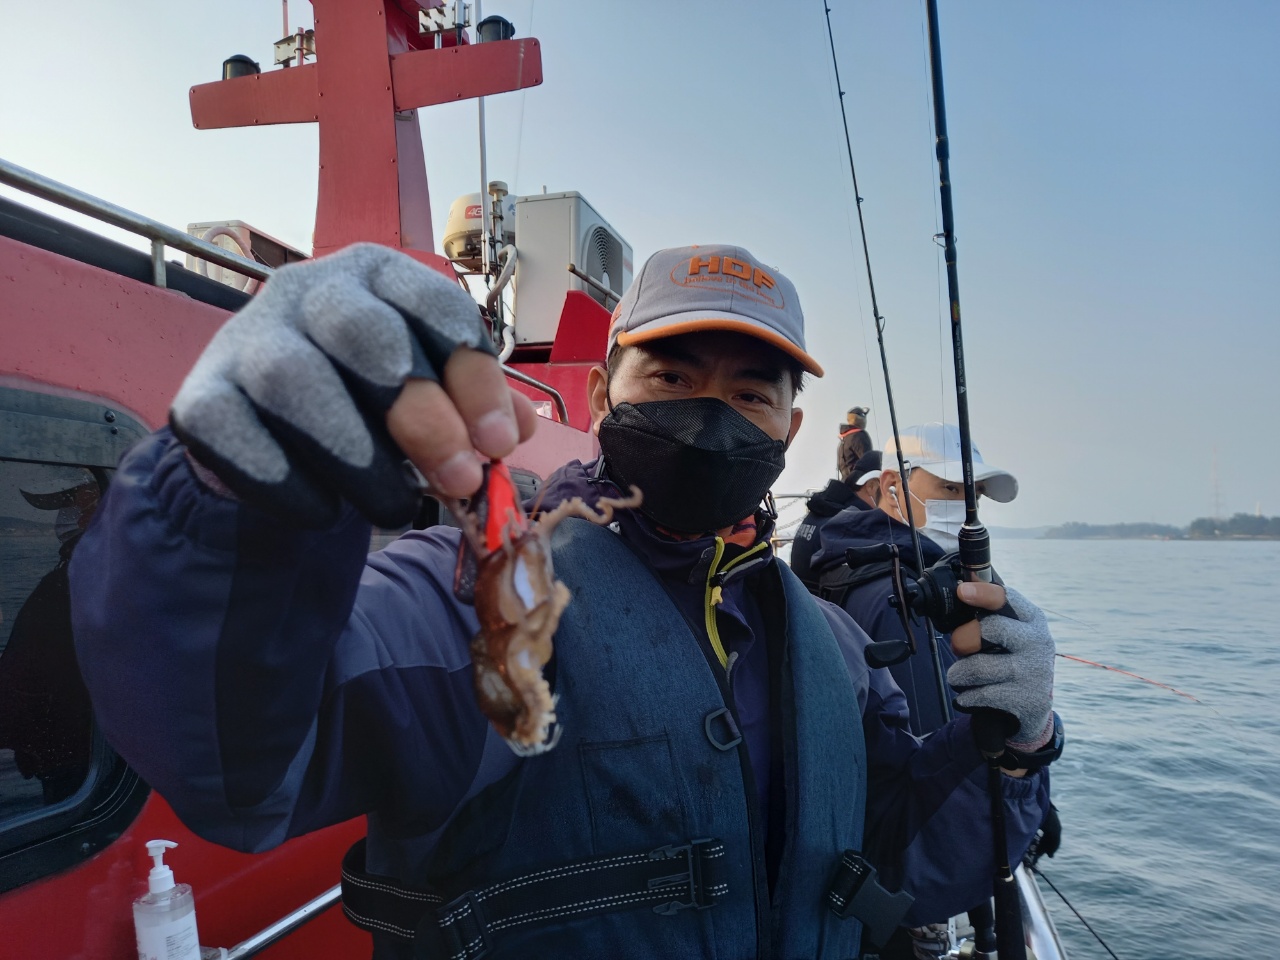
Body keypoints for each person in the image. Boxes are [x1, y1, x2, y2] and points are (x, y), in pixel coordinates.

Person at [69, 244, 1057, 960]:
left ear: (789, 431)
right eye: (670, 375)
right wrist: (229, 496)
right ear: (599, 396)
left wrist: (1015, 746)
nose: (709, 417)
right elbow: (237, 759)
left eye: (751, 395)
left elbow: (899, 861)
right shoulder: (467, 590)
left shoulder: (830, 644)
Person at [810, 423, 1021, 736]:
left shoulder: (852, 556)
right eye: (951, 488)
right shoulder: (901, 598)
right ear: (892, 485)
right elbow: (939, 740)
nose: (968, 508)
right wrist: (1033, 735)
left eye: (975, 494)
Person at [788, 450, 882, 589]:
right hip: (823, 599)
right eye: (890, 488)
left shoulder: (824, 508)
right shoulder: (856, 522)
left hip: (801, 594)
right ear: (871, 486)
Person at [838, 406, 873, 481]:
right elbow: (869, 463)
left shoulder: (844, 440)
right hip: (860, 482)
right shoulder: (860, 435)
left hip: (846, 483)